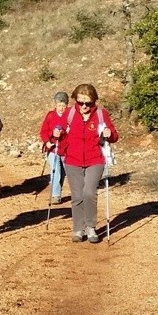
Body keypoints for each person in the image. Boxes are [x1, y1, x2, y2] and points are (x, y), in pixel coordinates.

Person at [60, 83, 118, 244]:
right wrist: (56, 133)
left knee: (89, 193)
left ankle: (91, 227)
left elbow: (114, 135)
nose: (84, 106)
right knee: (77, 195)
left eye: (88, 103)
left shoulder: (101, 114)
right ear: (75, 101)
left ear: (94, 102)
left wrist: (109, 133)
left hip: (95, 159)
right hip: (72, 160)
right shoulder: (70, 114)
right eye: (80, 102)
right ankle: (78, 228)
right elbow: (59, 130)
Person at [39, 91, 70, 204]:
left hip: (66, 149)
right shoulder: (51, 115)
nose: (61, 108)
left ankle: (58, 191)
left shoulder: (70, 116)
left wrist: (67, 132)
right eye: (59, 105)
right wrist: (47, 141)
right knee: (55, 170)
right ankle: (55, 195)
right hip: (52, 148)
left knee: (62, 173)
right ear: (55, 105)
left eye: (64, 105)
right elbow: (43, 131)